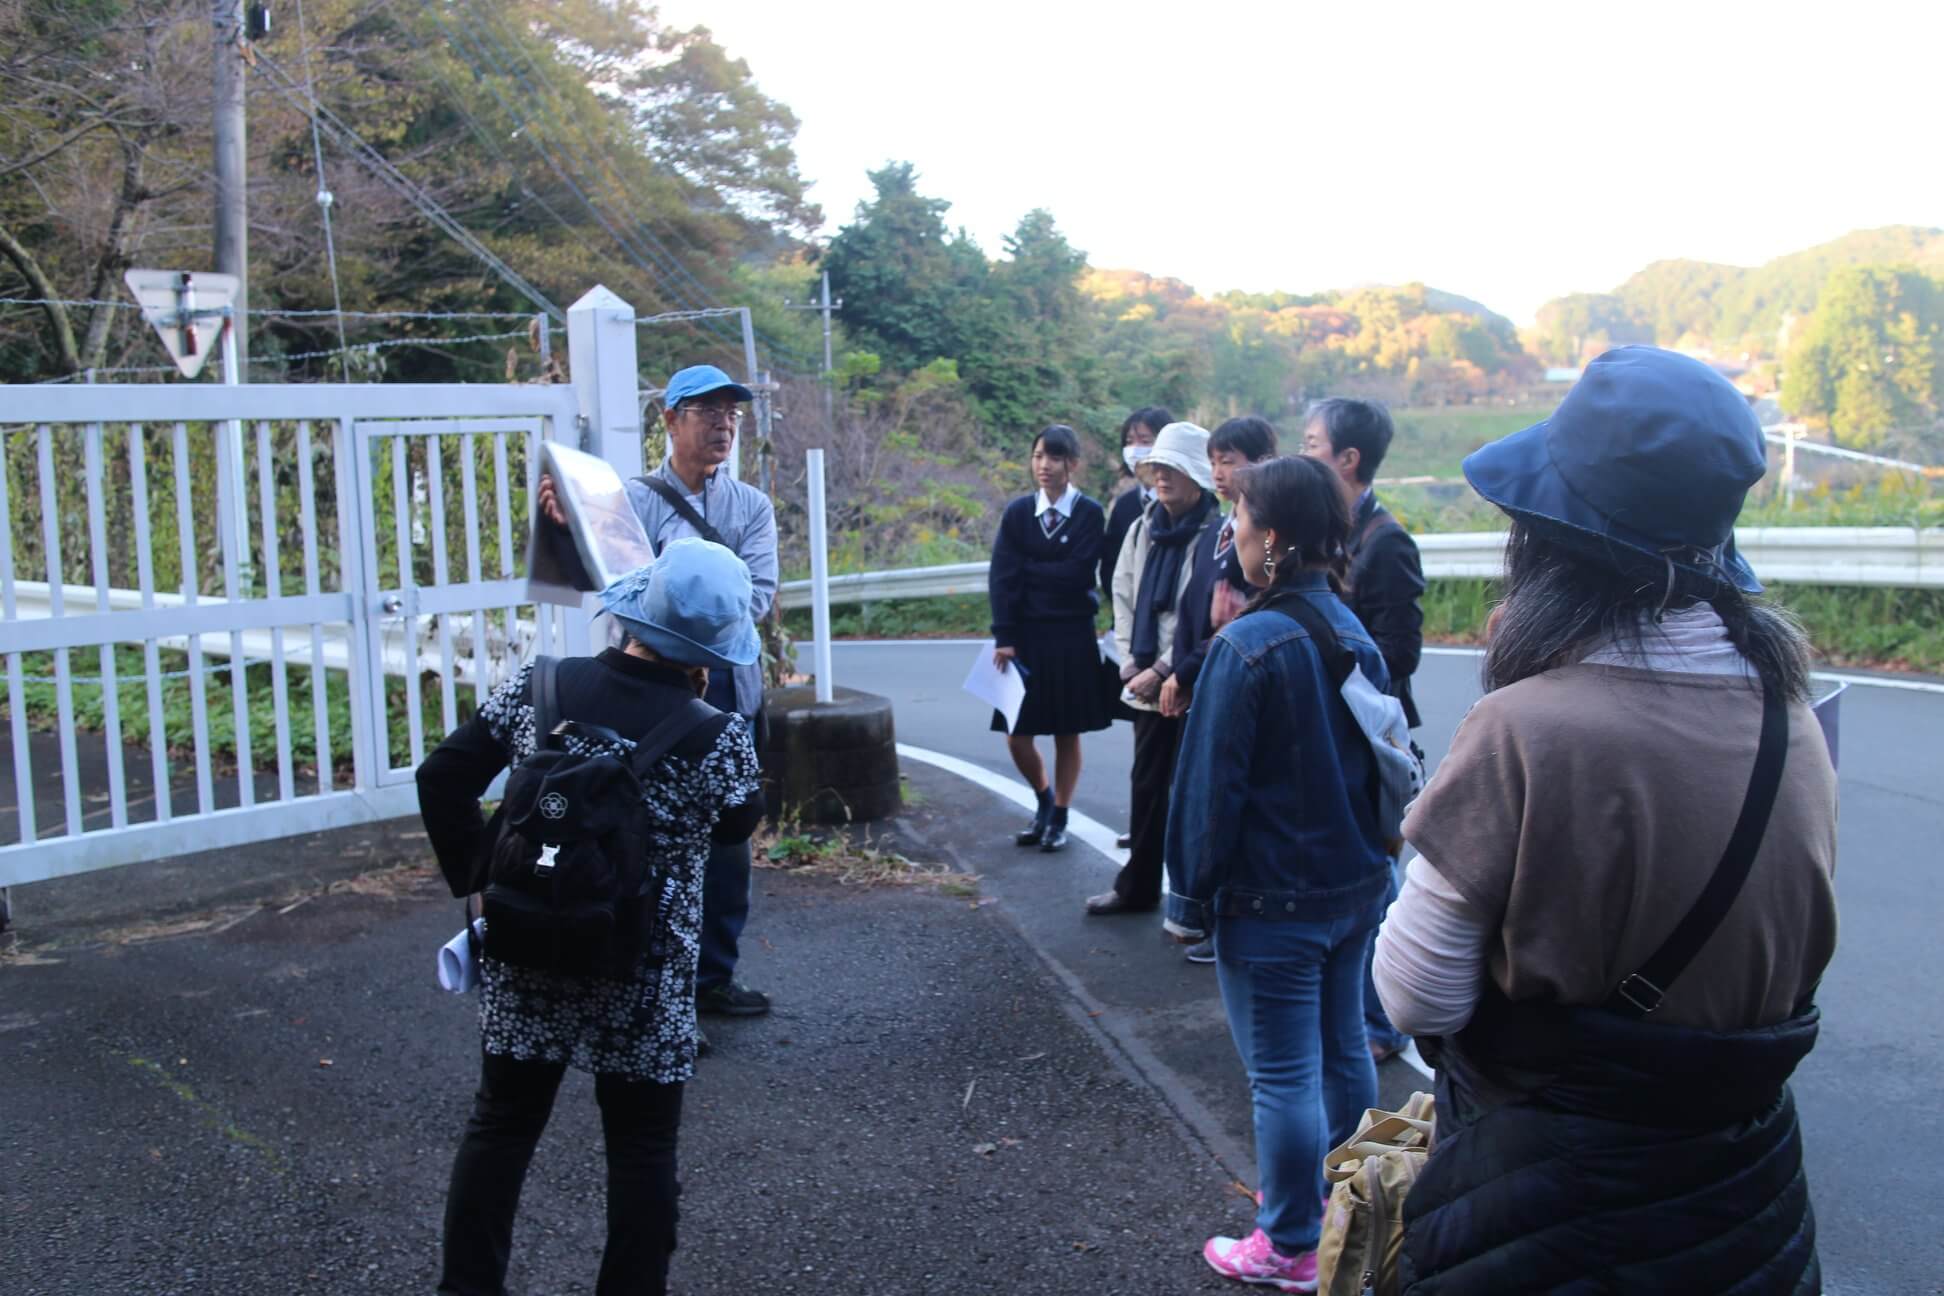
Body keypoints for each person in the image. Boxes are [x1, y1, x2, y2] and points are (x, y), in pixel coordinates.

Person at [1372, 346, 1838, 1294]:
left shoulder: (1525, 729)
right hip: (1749, 1203)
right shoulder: (1792, 717)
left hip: (1551, 1213)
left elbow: (1415, 997)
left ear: (1548, 544)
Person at [416, 542, 765, 1296]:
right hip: (641, 971)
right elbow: (738, 825)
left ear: (635, 615)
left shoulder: (542, 686)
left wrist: (476, 885)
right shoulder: (716, 738)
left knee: (502, 1126)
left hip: (525, 940)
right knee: (641, 1148)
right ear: (713, 652)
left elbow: (441, 776)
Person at [1163, 455, 1394, 1293]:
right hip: (1353, 886)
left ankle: (1289, 1243)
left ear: (1275, 538)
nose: (1234, 529)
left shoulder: (1249, 644)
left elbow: (1208, 789)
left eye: (1243, 516)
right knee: (1343, 1057)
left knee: (1284, 1077)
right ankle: (1344, 1214)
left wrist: (1186, 899)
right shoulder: (1350, 629)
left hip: (1272, 899)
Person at [539, 364, 779, 1024]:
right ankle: (639, 981)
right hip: (643, 687)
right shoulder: (630, 503)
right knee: (638, 838)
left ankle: (713, 977)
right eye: (706, 411)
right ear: (669, 420)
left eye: (731, 413)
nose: (723, 423)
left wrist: (670, 591)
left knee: (727, 843)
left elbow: (756, 597)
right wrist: (565, 526)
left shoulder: (750, 507)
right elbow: (600, 582)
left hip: (725, 682)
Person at [1300, 398, 1425, 1065]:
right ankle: (1365, 1013)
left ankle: (1384, 1022)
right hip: (1335, 729)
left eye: (1312, 443)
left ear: (1348, 459)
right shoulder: (1327, 531)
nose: (1303, 452)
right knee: (1360, 874)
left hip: (1370, 736)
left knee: (1377, 880)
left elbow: (1400, 653)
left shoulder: (1386, 540)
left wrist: (1330, 646)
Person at [1088, 421, 1218, 917]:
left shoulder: (1214, 533)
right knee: (1146, 785)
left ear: (1198, 477)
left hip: (1192, 678)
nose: (1162, 477)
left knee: (1196, 793)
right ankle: (1136, 887)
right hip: (1144, 676)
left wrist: (1165, 669)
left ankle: (1196, 903)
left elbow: (1201, 612)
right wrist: (1130, 662)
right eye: (1157, 468)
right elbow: (1123, 592)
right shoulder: (1144, 527)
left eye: (1173, 469)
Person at [1159, 415, 1277, 962]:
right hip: (1201, 680)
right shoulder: (1218, 530)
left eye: (1230, 460)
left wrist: (1185, 670)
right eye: (1214, 461)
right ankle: (1202, 910)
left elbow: (1251, 615)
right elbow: (1191, 611)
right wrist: (1176, 670)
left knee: (1230, 800)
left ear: (1263, 461)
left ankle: (1216, 915)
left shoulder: (1268, 538)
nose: (1219, 472)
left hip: (1227, 681)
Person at [988, 425, 1112, 852]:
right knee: (1016, 732)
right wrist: (1004, 634)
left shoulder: (1090, 513)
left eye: (1055, 458)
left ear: (1071, 464)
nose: (1044, 465)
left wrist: (1030, 570)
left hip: (1072, 634)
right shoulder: (1019, 513)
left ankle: (1060, 813)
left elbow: (1079, 573)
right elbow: (1002, 576)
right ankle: (1042, 798)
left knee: (1066, 731)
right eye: (1039, 455)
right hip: (1022, 636)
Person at [1102, 406, 1172, 851]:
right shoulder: (1128, 505)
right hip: (1134, 643)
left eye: (1146, 438)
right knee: (1142, 742)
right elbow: (1112, 573)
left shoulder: (1200, 510)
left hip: (1174, 650)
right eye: (1130, 439)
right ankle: (1145, 827)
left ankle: (1166, 827)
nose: (1136, 448)